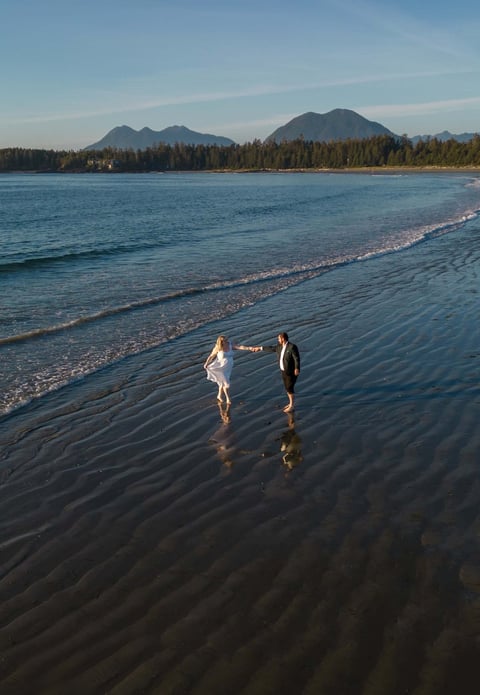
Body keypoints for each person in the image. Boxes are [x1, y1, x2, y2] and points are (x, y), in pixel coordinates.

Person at [255, 332, 300, 412]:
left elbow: (296, 358)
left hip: (291, 371)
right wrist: (260, 348)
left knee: (289, 388)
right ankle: (290, 403)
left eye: (279, 338)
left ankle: (292, 405)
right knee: (287, 388)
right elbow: (271, 348)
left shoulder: (292, 347)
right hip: (283, 371)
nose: (278, 340)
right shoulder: (279, 346)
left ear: (283, 339)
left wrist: (297, 368)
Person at [203, 335, 254, 404]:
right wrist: (206, 363)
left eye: (227, 340)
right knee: (226, 384)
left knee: (222, 383)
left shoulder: (229, 345)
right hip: (220, 367)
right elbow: (211, 356)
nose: (227, 341)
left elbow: (240, 347)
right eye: (225, 341)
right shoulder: (217, 348)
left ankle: (219, 396)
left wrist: (249, 348)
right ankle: (228, 398)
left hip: (228, 368)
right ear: (221, 342)